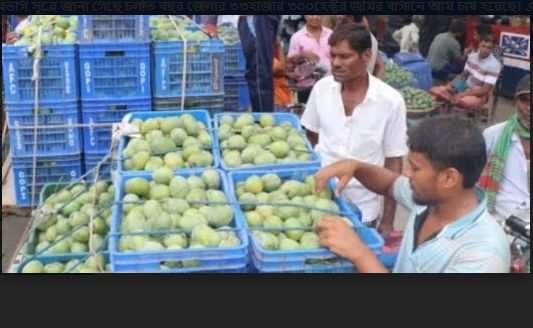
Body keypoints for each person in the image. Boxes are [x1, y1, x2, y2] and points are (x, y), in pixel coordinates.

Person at [314, 116, 511, 273]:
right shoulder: (431, 201)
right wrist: (356, 167)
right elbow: (389, 183)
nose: (407, 174)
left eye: (415, 168)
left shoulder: (482, 254)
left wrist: (359, 253)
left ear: (449, 178)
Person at [301, 23, 407, 235]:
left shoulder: (390, 101)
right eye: (333, 56)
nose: (336, 63)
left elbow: (393, 162)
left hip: (363, 208)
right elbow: (311, 134)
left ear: (366, 55)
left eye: (344, 56)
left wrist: (387, 220)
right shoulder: (322, 89)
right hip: (320, 198)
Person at [479, 75, 530, 222]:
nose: (528, 108)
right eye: (524, 100)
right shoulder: (494, 135)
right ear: (515, 101)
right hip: (497, 221)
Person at [430, 34, 501, 111]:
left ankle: (457, 118)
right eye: (483, 46)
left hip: (479, 94)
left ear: (492, 49)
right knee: (435, 91)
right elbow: (463, 75)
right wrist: (451, 85)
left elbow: (485, 90)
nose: (485, 50)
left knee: (460, 102)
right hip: (464, 87)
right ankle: (443, 118)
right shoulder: (472, 56)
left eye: (488, 48)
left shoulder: (495, 65)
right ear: (479, 44)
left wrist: (462, 94)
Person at [287, 15, 333, 104]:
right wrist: (301, 55)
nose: (315, 17)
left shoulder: (331, 34)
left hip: (329, 84)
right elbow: (289, 65)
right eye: (311, 15)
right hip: (306, 87)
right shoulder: (297, 37)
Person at [335, 15, 385, 80]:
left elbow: (380, 66)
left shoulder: (354, 39)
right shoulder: (367, 36)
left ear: (351, 18)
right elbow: (380, 66)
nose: (338, 16)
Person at [273, 38, 293, 112]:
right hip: (275, 97)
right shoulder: (264, 52)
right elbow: (281, 69)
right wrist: (279, 46)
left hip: (281, 95)